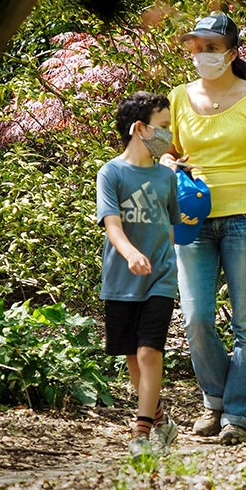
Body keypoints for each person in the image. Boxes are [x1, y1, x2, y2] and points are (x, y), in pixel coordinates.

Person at [162, 12, 246, 446]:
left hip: (245, 219)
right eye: (196, 47)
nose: (201, 55)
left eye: (211, 47)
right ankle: (215, 398)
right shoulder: (178, 98)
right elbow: (165, 151)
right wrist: (166, 163)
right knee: (196, 318)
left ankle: (239, 415)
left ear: (232, 52)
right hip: (192, 218)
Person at [98, 91, 181, 457]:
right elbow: (112, 226)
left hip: (160, 277)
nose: (168, 134)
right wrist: (131, 254)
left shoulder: (168, 178)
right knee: (133, 359)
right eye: (162, 127)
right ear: (139, 128)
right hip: (121, 279)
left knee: (149, 354)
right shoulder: (111, 172)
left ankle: (141, 435)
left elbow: (175, 227)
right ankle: (161, 419)